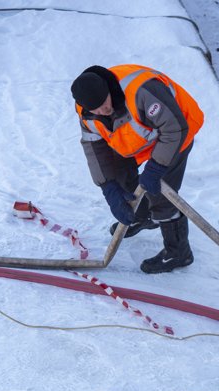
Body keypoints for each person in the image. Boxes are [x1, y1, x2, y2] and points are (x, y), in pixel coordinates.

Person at [70, 64, 204, 273]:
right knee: (119, 178)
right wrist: (107, 186)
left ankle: (179, 252)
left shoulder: (142, 90)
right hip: (136, 139)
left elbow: (174, 128)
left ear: (108, 89)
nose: (103, 111)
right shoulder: (86, 112)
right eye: (95, 109)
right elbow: (93, 147)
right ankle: (141, 216)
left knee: (160, 192)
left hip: (177, 133)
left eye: (104, 103)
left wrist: (157, 167)